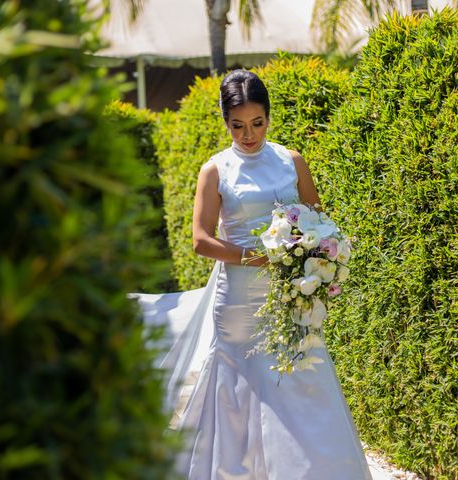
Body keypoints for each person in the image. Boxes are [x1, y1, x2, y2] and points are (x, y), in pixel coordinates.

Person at [135, 70, 372, 479]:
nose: (249, 134)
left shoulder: (290, 160)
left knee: (302, 376)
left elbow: (318, 221)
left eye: (257, 123)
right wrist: (256, 258)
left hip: (288, 294)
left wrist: (309, 252)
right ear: (225, 122)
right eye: (238, 125)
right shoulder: (215, 170)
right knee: (239, 390)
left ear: (269, 117)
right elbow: (200, 240)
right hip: (239, 301)